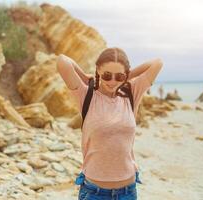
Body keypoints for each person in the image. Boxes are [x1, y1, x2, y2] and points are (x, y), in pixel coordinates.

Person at [56, 47, 163, 200]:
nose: (112, 82)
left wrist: (126, 77)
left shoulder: (132, 93)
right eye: (107, 75)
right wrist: (87, 78)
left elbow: (157, 63)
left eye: (118, 76)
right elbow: (62, 61)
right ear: (98, 70)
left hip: (128, 191)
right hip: (94, 192)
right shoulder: (86, 94)